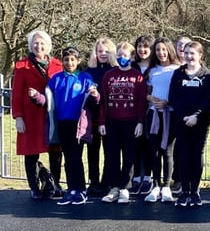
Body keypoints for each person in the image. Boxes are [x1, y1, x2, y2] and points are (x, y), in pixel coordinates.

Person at [33, 47, 99, 205]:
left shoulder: (85, 78)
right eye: (66, 59)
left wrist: (96, 96)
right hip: (62, 123)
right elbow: (47, 99)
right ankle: (71, 190)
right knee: (68, 158)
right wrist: (36, 96)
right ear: (62, 61)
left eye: (72, 60)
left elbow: (94, 101)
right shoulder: (56, 79)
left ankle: (81, 189)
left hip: (78, 125)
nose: (69, 63)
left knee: (76, 157)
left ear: (78, 61)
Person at [11, 30, 63, 199]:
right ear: (30, 45)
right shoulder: (22, 66)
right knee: (31, 152)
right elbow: (17, 93)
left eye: (42, 43)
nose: (38, 46)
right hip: (30, 116)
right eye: (35, 43)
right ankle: (34, 187)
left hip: (51, 115)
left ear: (48, 46)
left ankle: (54, 184)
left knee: (55, 151)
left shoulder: (57, 65)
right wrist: (18, 116)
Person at [99, 43, 147, 204]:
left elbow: (141, 102)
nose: (121, 58)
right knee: (112, 156)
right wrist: (102, 122)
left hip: (131, 122)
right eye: (119, 55)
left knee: (129, 157)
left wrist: (140, 122)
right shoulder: (109, 75)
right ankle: (114, 188)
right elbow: (103, 100)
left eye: (125, 55)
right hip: (111, 122)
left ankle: (125, 188)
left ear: (132, 57)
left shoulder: (137, 76)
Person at [168, 41, 210, 207]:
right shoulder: (178, 73)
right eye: (186, 53)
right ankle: (184, 191)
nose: (189, 56)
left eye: (192, 53)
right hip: (181, 121)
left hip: (200, 122)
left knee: (196, 155)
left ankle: (195, 191)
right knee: (183, 155)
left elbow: (208, 99)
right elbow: (173, 97)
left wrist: (196, 116)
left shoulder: (207, 75)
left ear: (200, 55)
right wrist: (184, 116)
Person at [143, 38, 180, 203]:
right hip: (153, 114)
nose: (161, 53)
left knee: (168, 151)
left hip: (170, 114)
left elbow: (180, 93)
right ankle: (155, 185)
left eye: (164, 49)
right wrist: (150, 97)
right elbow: (147, 92)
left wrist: (168, 102)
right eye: (158, 50)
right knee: (154, 150)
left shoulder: (178, 69)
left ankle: (166, 186)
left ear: (169, 50)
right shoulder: (152, 71)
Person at [85, 37, 117, 196]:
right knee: (92, 152)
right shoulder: (88, 72)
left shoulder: (115, 71)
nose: (103, 54)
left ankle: (107, 182)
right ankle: (93, 182)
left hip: (110, 118)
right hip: (93, 119)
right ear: (95, 53)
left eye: (106, 51)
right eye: (100, 51)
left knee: (109, 152)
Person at [130, 34, 155, 195]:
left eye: (146, 46)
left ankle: (148, 177)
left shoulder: (156, 67)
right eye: (139, 46)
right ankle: (136, 177)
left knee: (150, 144)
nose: (142, 50)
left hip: (153, 109)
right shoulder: (132, 66)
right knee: (136, 143)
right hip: (133, 110)